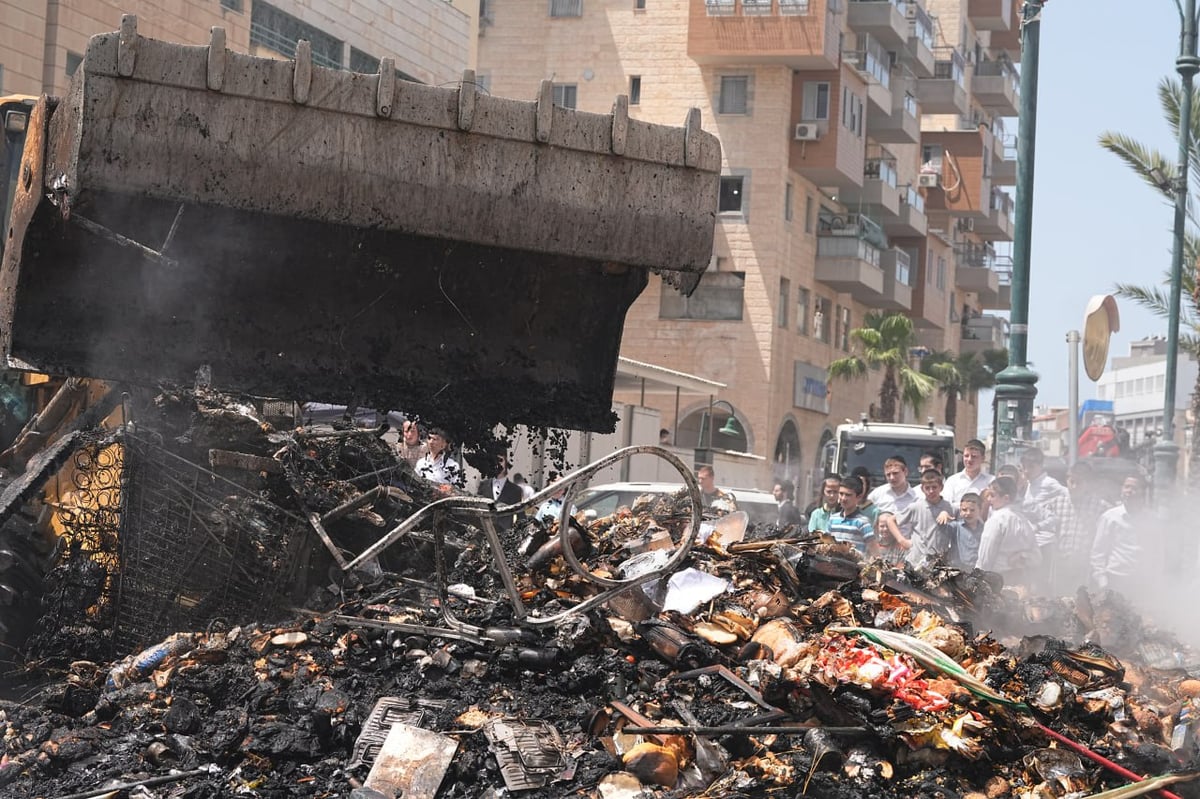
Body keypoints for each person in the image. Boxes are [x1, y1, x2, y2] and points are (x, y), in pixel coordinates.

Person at [1091, 474, 1154, 593]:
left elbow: (1157, 552)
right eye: (1127, 487)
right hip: (1115, 579)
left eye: (1134, 488)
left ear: (1142, 492)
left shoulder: (1150, 520)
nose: (1129, 491)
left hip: (1142, 582)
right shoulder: (1110, 517)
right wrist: (1102, 581)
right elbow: (1098, 551)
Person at [976, 476, 1040, 584]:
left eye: (992, 495)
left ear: (1006, 498)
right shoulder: (1024, 521)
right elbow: (1037, 556)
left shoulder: (996, 520)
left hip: (997, 580)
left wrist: (978, 578)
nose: (988, 499)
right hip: (1021, 580)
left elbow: (986, 556)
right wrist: (1023, 557)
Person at [896, 469, 956, 570]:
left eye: (934, 487)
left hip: (939, 563)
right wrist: (901, 540)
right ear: (922, 489)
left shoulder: (949, 507)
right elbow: (891, 520)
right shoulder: (915, 507)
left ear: (941, 487)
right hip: (916, 561)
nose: (931, 491)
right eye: (927, 488)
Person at [828, 477, 877, 555]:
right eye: (841, 494)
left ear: (859, 497)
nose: (843, 498)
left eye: (848, 495)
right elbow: (827, 542)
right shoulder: (833, 519)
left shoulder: (863, 522)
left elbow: (874, 550)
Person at [477, 456, 525, 531]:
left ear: (506, 463)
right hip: (484, 534)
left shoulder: (515, 490)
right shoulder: (483, 486)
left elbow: (521, 517)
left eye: (500, 460)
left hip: (504, 536)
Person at [944, 439, 992, 506]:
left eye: (974, 456)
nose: (969, 460)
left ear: (983, 458)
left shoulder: (991, 482)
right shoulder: (952, 481)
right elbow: (946, 506)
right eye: (966, 456)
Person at [415, 427, 463, 493]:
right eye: (429, 438)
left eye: (435, 439)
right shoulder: (421, 463)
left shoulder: (453, 466)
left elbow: (456, 489)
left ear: (443, 444)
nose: (431, 442)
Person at [949, 492, 985, 569]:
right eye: (964, 510)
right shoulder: (955, 527)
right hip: (958, 570)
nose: (968, 513)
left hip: (977, 569)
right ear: (960, 510)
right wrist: (943, 513)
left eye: (972, 510)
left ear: (980, 510)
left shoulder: (985, 529)